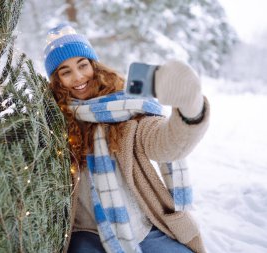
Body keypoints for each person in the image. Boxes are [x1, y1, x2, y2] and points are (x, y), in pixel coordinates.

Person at [44, 23, 210, 253]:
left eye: (83, 65)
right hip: (85, 233)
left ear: (94, 65)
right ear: (57, 80)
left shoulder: (125, 108)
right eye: (66, 71)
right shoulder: (51, 121)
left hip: (139, 227)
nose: (78, 77)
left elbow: (164, 142)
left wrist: (190, 109)